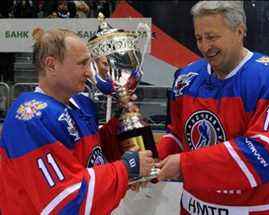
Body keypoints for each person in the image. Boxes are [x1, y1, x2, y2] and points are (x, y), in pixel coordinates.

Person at [0, 27, 155, 214]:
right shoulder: (29, 119)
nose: (90, 73)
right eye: (82, 64)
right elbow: (65, 201)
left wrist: (122, 122)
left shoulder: (81, 103)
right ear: (51, 65)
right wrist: (125, 169)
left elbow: (92, 156)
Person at [156, 1, 269, 215]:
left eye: (212, 37)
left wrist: (185, 165)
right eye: (199, 38)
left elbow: (265, 153)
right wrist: (154, 156)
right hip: (192, 208)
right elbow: (177, 133)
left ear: (240, 31)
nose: (205, 47)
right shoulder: (186, 78)